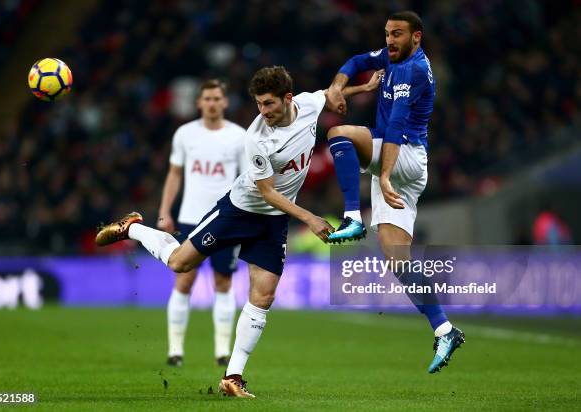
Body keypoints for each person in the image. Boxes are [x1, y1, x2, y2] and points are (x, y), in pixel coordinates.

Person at [95, 66, 379, 397]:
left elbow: (330, 95)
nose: (264, 111)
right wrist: (311, 219)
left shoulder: (307, 104)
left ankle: (233, 376)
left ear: (288, 99)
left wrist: (364, 87)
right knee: (179, 263)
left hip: (274, 222)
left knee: (264, 295)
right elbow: (269, 192)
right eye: (259, 104)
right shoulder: (257, 138)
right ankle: (134, 228)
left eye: (269, 104)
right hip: (240, 211)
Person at [325, 11, 465, 373]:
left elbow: (397, 126)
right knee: (399, 262)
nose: (389, 40)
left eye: (397, 34)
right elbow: (357, 61)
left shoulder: (413, 70)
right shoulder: (391, 56)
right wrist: (340, 85)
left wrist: (384, 177)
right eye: (387, 33)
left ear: (416, 37)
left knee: (338, 134)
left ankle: (352, 217)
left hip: (404, 156)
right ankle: (445, 329)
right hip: (397, 162)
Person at [158, 79, 246, 367]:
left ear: (225, 102)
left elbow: (247, 180)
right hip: (191, 217)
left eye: (216, 98)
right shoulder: (185, 134)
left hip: (225, 219)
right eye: (206, 98)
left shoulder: (239, 136)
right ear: (199, 103)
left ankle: (222, 351)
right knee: (184, 280)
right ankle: (175, 351)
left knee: (223, 281)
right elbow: (174, 175)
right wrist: (164, 211)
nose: (211, 103)